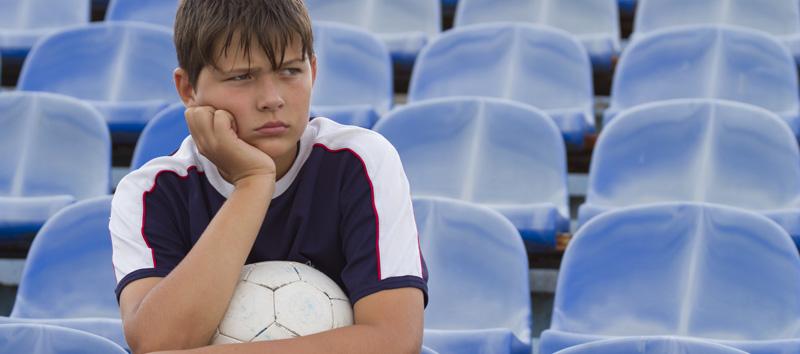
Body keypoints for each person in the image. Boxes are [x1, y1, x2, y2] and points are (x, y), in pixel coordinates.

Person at [108, 1, 428, 353]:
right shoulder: (151, 191)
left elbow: (395, 340)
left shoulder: (361, 162)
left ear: (314, 71)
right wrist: (253, 183)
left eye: (290, 71)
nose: (272, 99)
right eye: (241, 77)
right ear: (188, 89)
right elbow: (157, 341)